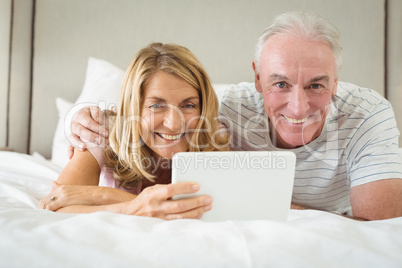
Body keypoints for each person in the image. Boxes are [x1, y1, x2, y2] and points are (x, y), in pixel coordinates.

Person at [68, 11, 402, 221]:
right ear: (258, 78)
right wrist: (76, 119)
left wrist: (109, 198)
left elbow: (383, 227)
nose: (299, 107)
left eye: (316, 85)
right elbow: (56, 201)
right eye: (280, 83)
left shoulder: (212, 131)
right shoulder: (107, 133)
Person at [38, 42, 230, 220]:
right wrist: (132, 206)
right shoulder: (102, 131)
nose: (173, 123)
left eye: (188, 105)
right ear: (133, 108)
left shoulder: (213, 140)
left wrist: (103, 195)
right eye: (156, 105)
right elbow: (55, 208)